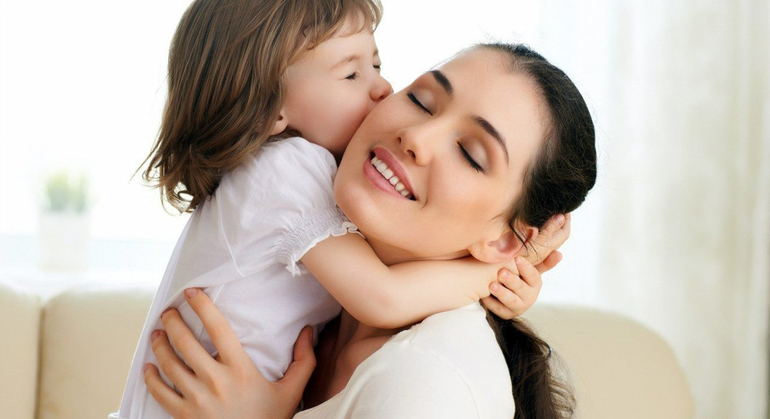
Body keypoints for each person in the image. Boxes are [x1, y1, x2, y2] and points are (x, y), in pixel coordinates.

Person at [112, 1, 550, 417]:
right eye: (350, 74)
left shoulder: (432, 372)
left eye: (376, 65)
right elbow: (383, 297)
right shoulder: (284, 170)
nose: (382, 88)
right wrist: (499, 270)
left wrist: (508, 245)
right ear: (271, 110)